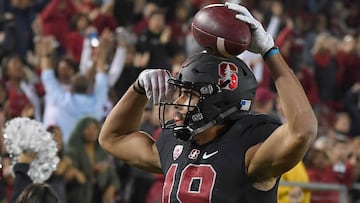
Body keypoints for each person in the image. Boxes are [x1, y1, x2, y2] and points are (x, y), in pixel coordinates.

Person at [99, 3, 318, 203]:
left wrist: (270, 52)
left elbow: (302, 131)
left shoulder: (249, 149)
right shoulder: (174, 142)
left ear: (220, 102)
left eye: (189, 94)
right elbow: (113, 138)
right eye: (180, 92)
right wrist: (137, 89)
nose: (177, 101)